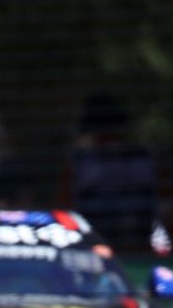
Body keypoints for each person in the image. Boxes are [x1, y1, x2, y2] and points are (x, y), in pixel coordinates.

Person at [63, 93, 162, 255]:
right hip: (94, 247)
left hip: (138, 245)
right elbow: (66, 209)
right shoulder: (81, 162)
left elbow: (166, 205)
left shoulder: (141, 159)